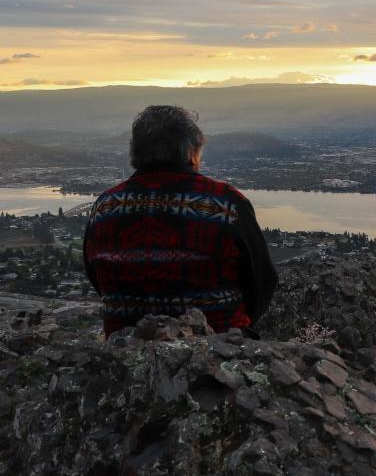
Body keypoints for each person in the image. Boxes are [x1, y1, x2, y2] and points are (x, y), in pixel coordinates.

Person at [83, 105, 277, 337]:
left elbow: (97, 278)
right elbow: (262, 280)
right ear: (191, 152)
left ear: (135, 152)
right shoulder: (226, 203)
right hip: (217, 346)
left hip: (124, 349)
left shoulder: (105, 207)